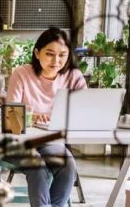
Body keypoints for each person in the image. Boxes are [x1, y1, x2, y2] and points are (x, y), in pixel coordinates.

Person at [6, 27, 86, 207]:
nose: (56, 61)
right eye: (50, 54)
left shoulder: (74, 77)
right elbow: (11, 113)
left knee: (67, 165)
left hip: (52, 141)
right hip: (19, 142)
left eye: (62, 55)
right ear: (37, 53)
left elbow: (82, 111)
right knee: (37, 166)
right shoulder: (21, 73)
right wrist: (31, 116)